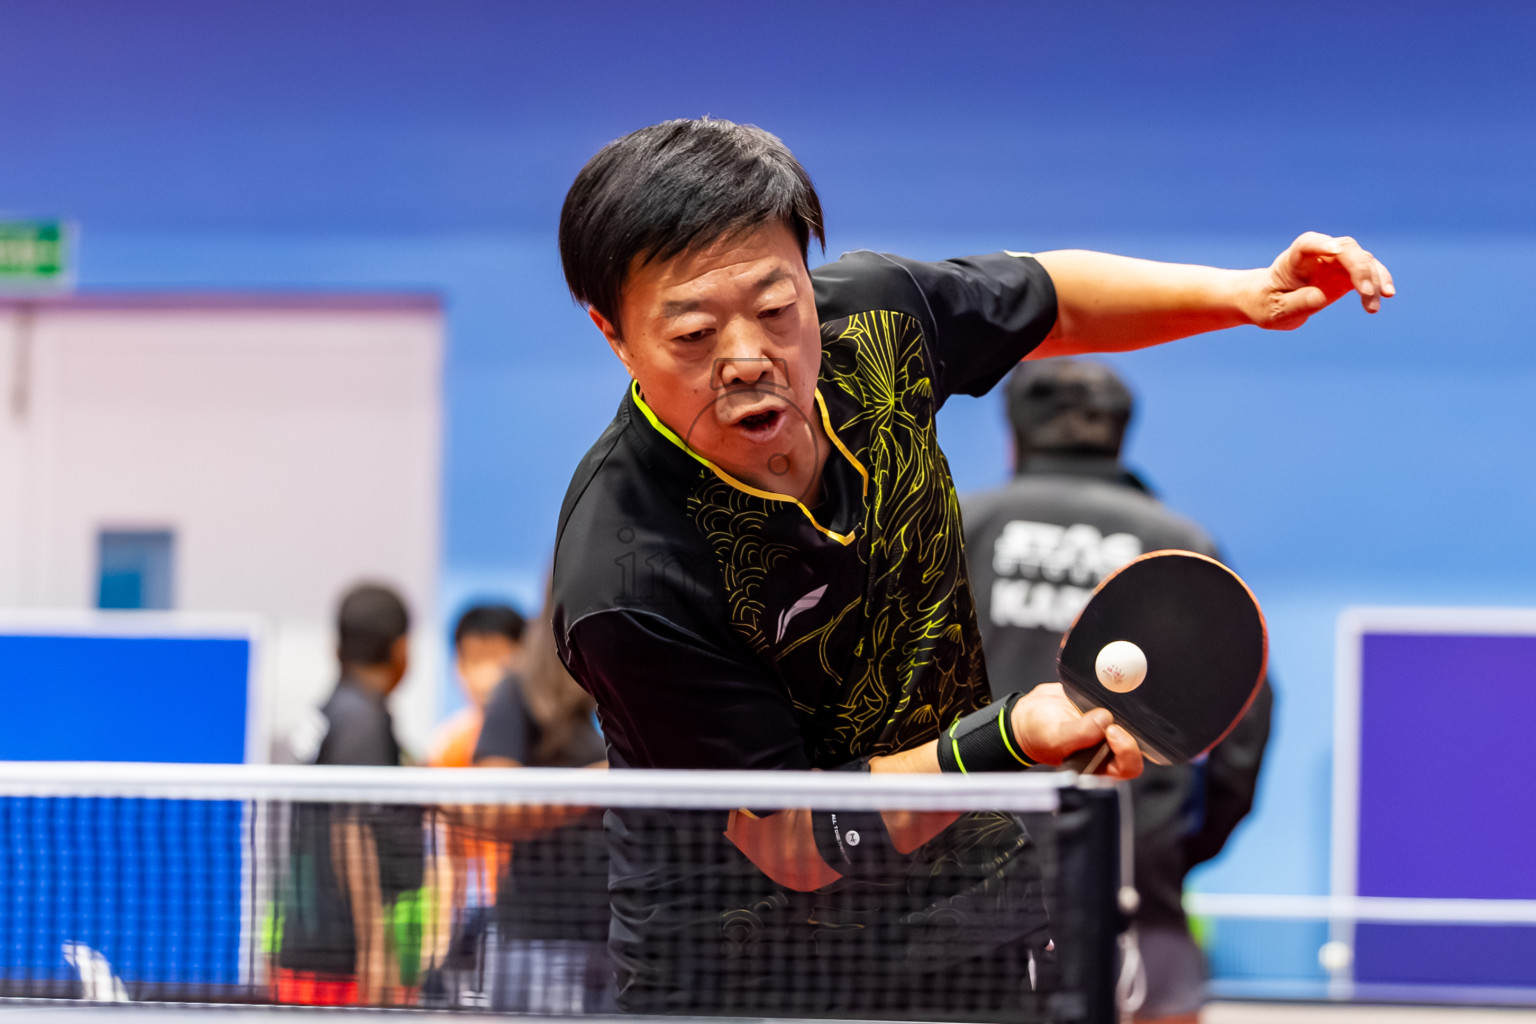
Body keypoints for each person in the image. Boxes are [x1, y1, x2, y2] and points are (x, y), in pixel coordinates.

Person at [549, 117, 1391, 1015]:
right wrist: (1014, 739)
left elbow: (1053, 298)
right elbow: (792, 838)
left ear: (806, 273)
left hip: (974, 937)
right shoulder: (628, 573)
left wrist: (1244, 293)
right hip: (750, 981)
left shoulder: (873, 320)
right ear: (615, 335)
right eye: (693, 334)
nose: (749, 358)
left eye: (775, 308)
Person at [962, 359, 1273, 1023]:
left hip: (959, 895)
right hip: (1137, 892)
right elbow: (1240, 733)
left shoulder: (958, 529)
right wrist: (1170, 855)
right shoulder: (1181, 547)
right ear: (1118, 436)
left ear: (1015, 439)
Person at [276, 583, 425, 1007]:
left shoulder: (329, 711)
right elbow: (352, 827)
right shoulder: (363, 719)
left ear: (335, 647)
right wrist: (375, 949)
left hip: (309, 947)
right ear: (400, 650)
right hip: (341, 963)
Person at [427, 604, 527, 768]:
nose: (484, 677)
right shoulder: (447, 744)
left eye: (499, 660)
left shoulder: (550, 738)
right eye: (473, 661)